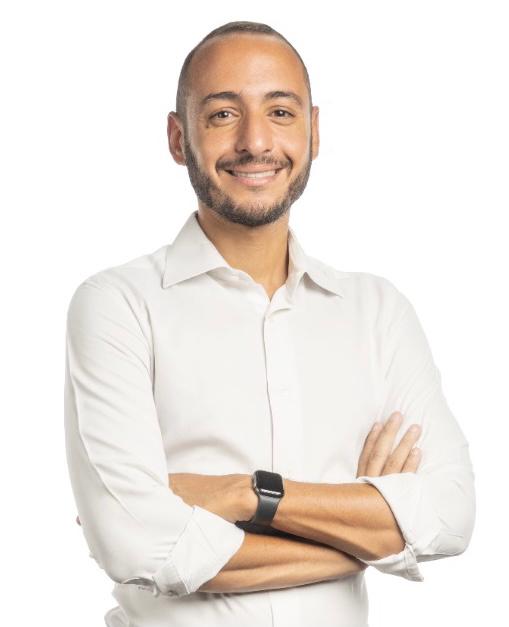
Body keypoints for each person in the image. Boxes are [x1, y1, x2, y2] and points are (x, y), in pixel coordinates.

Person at [64, 20, 476, 627]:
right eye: (223, 115)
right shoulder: (117, 306)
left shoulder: (378, 312)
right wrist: (365, 530)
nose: (256, 141)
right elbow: (136, 543)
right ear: (178, 138)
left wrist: (246, 494)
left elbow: (449, 515)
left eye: (280, 112)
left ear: (314, 131)